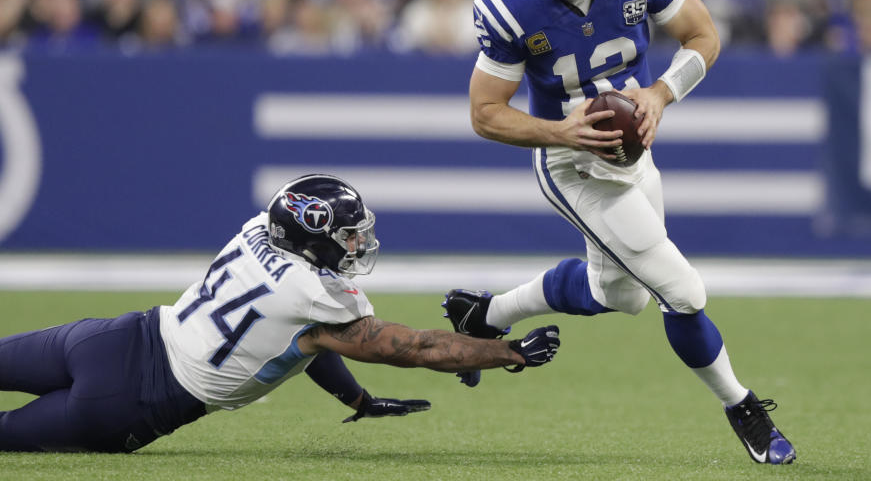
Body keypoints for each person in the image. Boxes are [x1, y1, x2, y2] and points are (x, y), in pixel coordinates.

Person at [446, 0, 795, 465]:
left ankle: (484, 313)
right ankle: (742, 406)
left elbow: (704, 35)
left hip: (632, 150)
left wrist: (659, 94)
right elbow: (485, 113)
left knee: (620, 295)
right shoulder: (509, 4)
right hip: (570, 163)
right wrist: (560, 131)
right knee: (682, 292)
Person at [0, 174, 560, 453]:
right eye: (348, 235)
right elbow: (413, 347)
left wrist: (355, 398)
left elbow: (306, 342)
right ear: (314, 239)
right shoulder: (314, 293)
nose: (357, 243)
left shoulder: (255, 231)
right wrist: (506, 351)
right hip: (130, 400)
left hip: (109, 337)